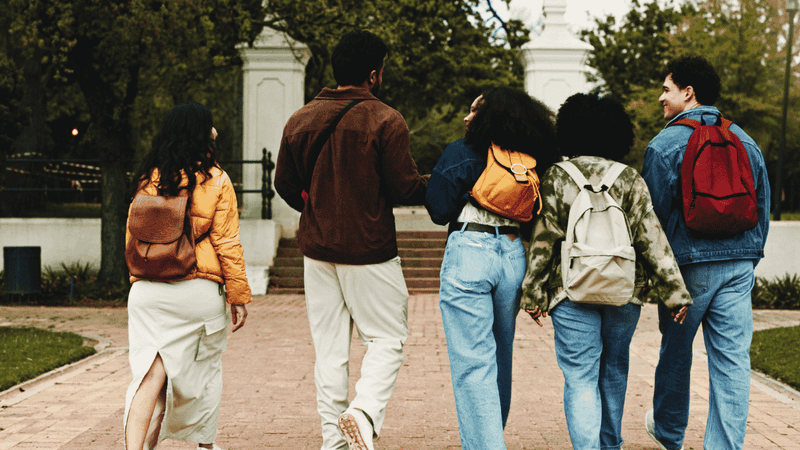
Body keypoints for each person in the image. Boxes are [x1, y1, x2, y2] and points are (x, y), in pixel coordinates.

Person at [274, 30, 427, 450]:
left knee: (329, 350)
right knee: (387, 339)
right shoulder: (385, 119)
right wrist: (445, 183)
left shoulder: (300, 119)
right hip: (369, 249)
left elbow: (284, 184)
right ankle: (362, 413)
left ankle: (334, 441)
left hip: (317, 250)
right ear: (374, 74)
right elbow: (404, 188)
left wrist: (316, 207)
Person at [519, 93, 693, 450]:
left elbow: (544, 239)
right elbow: (652, 239)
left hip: (570, 290)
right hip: (623, 291)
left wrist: (533, 292)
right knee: (614, 370)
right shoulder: (629, 179)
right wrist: (675, 292)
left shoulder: (557, 177)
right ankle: (610, 444)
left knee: (580, 376)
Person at [641, 56, 770, 450]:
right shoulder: (745, 140)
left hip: (688, 268)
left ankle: (668, 432)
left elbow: (650, 219)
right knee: (733, 361)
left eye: (666, 89)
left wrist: (655, 274)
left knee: (676, 354)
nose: (661, 97)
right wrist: (748, 257)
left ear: (688, 92)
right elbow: (761, 206)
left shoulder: (664, 145)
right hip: (738, 266)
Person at [425, 87, 559, 450]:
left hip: (471, 248)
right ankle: (490, 437)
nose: (467, 117)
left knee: (473, 361)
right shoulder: (532, 158)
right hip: (513, 254)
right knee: (500, 356)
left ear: (491, 118)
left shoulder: (462, 151)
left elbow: (438, 209)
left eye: (474, 111)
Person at [124, 102, 251, 450]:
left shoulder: (147, 179)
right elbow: (227, 243)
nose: (216, 132)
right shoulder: (217, 180)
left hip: (148, 292)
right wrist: (238, 296)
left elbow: (132, 237)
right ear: (201, 134)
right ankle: (205, 446)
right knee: (204, 373)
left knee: (150, 376)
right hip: (197, 292)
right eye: (210, 126)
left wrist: (138, 277)